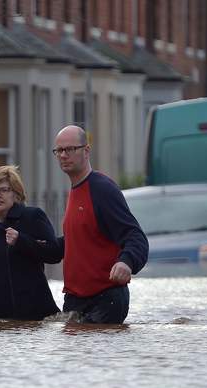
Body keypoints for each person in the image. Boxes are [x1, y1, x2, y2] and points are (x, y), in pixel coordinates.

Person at [53, 125, 148, 324]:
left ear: (86, 151)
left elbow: (135, 237)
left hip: (106, 299)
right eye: (59, 150)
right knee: (71, 354)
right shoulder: (74, 190)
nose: (63, 155)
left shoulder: (102, 189)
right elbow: (74, 243)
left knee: (97, 353)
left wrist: (126, 261)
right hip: (75, 300)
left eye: (70, 149)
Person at [0, 165, 63, 320]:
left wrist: (21, 240)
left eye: (3, 190)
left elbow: (55, 253)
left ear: (16, 194)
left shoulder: (32, 217)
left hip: (34, 314)